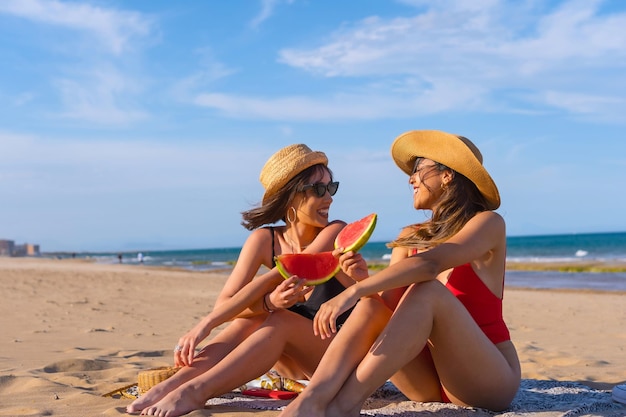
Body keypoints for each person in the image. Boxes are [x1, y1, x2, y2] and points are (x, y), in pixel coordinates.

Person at [280, 130, 521, 417]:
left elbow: (431, 265)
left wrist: (353, 291)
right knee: (372, 304)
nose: (411, 179)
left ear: (447, 175)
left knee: (427, 289)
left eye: (419, 169)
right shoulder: (410, 237)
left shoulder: (488, 224)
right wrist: (363, 283)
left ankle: (343, 408)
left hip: (485, 380)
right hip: (427, 380)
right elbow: (385, 309)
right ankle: (313, 400)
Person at [127, 144, 382, 416]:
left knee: (280, 319)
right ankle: (176, 384)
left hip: (338, 360)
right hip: (292, 366)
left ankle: (196, 391)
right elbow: (227, 302)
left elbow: (288, 269)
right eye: (318, 190)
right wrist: (269, 302)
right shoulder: (265, 240)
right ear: (290, 196)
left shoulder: (335, 231)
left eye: (332, 188)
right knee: (253, 318)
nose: (328, 198)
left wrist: (206, 324)